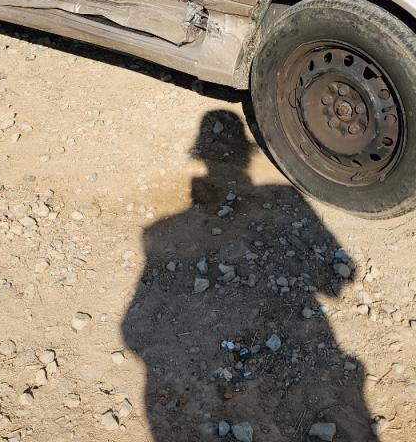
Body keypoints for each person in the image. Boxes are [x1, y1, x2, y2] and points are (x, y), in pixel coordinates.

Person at [122, 109, 377, 441]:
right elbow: (338, 282)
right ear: (246, 153)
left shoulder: (159, 232)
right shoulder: (287, 196)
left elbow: (132, 330)